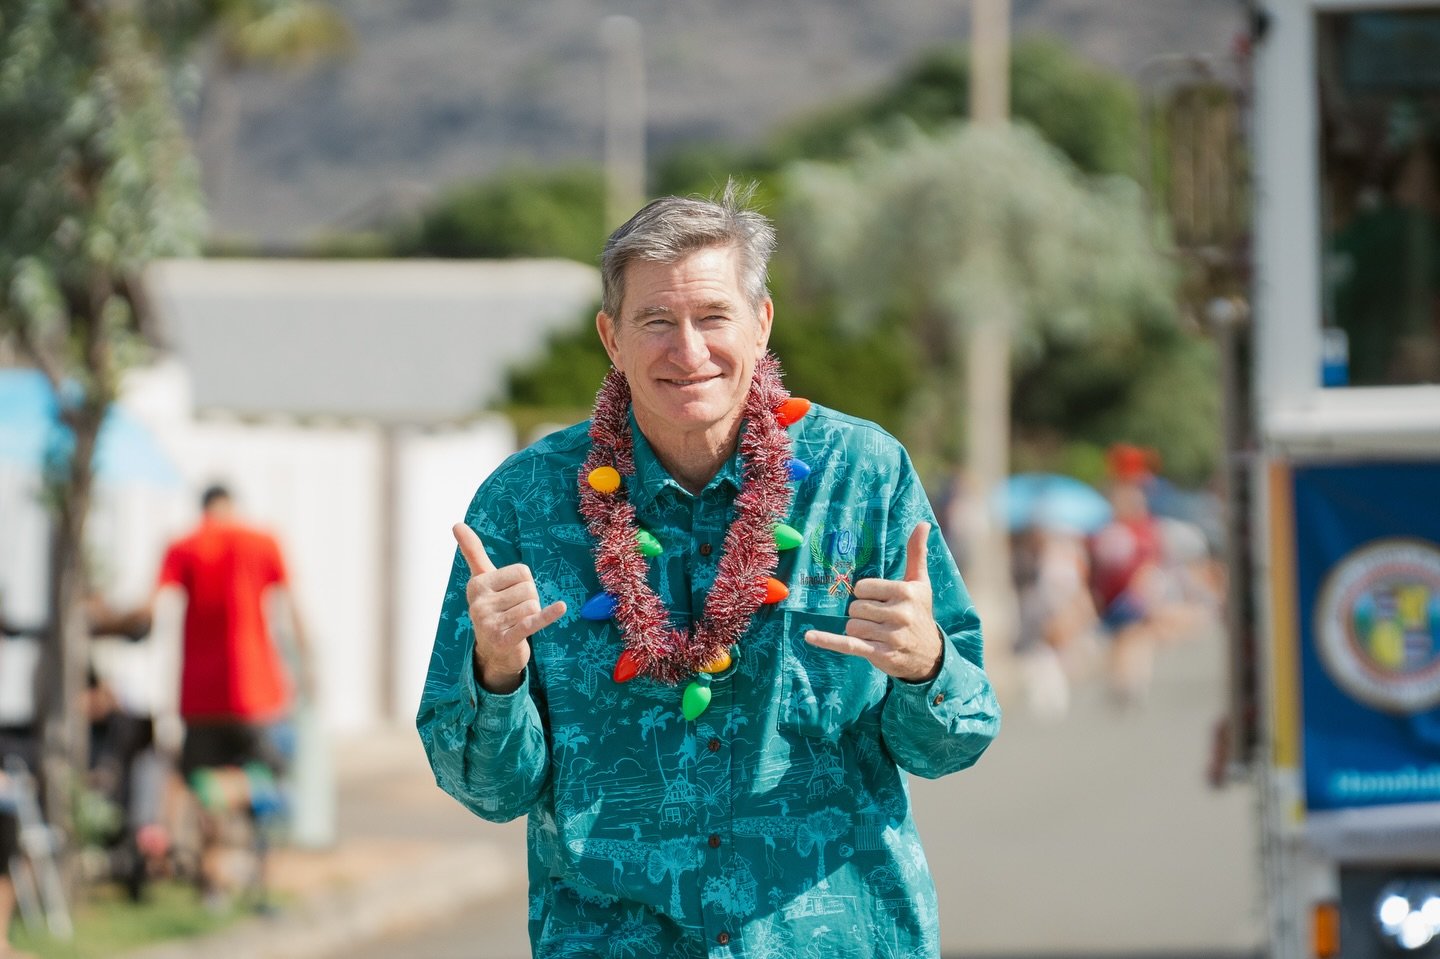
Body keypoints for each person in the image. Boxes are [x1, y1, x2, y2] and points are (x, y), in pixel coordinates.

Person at [418, 184, 1000, 957]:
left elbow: (954, 743)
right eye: (656, 320)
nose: (687, 351)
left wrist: (926, 663)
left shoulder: (861, 477)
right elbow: (488, 790)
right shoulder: (524, 504)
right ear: (611, 338)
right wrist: (496, 673)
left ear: (760, 325)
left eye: (712, 317)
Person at [129, 484, 311, 905]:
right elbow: (292, 606)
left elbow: (149, 608)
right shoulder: (262, 541)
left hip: (200, 694)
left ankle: (214, 885)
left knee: (202, 783)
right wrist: (306, 665)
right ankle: (255, 878)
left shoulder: (183, 546)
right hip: (256, 691)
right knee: (272, 780)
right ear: (231, 505)